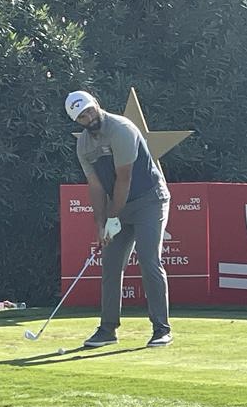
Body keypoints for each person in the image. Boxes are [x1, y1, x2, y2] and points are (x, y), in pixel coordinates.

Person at [65, 90, 173, 348]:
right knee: (111, 265)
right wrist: (100, 224)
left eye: (89, 110)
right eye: (81, 116)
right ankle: (107, 329)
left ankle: (161, 328)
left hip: (150, 199)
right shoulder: (83, 145)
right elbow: (96, 186)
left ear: (96, 105)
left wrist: (113, 218)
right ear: (76, 120)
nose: (87, 117)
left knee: (149, 260)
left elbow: (124, 178)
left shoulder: (121, 129)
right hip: (118, 205)